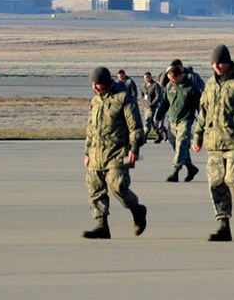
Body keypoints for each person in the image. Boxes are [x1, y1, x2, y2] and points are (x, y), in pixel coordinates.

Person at [193, 44, 234, 240]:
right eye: (214, 64)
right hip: (213, 142)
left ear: (228, 62)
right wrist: (197, 137)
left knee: (233, 178)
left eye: (220, 63)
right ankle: (223, 225)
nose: (217, 67)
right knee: (216, 183)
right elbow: (203, 113)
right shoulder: (210, 85)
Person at [81, 66, 147, 239]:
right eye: (92, 85)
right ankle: (102, 225)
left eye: (98, 85)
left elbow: (135, 126)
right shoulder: (95, 102)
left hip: (118, 152)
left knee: (117, 185)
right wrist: (87, 153)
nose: (95, 88)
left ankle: (137, 210)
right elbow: (90, 129)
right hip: (96, 153)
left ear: (106, 83)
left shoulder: (123, 98)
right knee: (95, 188)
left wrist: (134, 148)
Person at [162, 64, 200, 181]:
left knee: (182, 142)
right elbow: (165, 103)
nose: (171, 81)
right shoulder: (169, 86)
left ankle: (175, 171)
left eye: (173, 79)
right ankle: (190, 167)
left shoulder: (191, 87)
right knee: (179, 146)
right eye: (170, 79)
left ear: (180, 76)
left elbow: (199, 105)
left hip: (186, 120)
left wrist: (203, 121)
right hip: (172, 120)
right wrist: (158, 117)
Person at [139, 71, 166, 145]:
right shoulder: (143, 86)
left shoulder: (155, 85)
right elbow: (141, 96)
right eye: (145, 78)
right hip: (146, 107)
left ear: (150, 77)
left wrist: (152, 103)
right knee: (153, 123)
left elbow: (158, 96)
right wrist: (143, 103)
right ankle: (160, 134)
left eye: (148, 77)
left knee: (148, 123)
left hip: (154, 107)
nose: (147, 79)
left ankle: (144, 137)